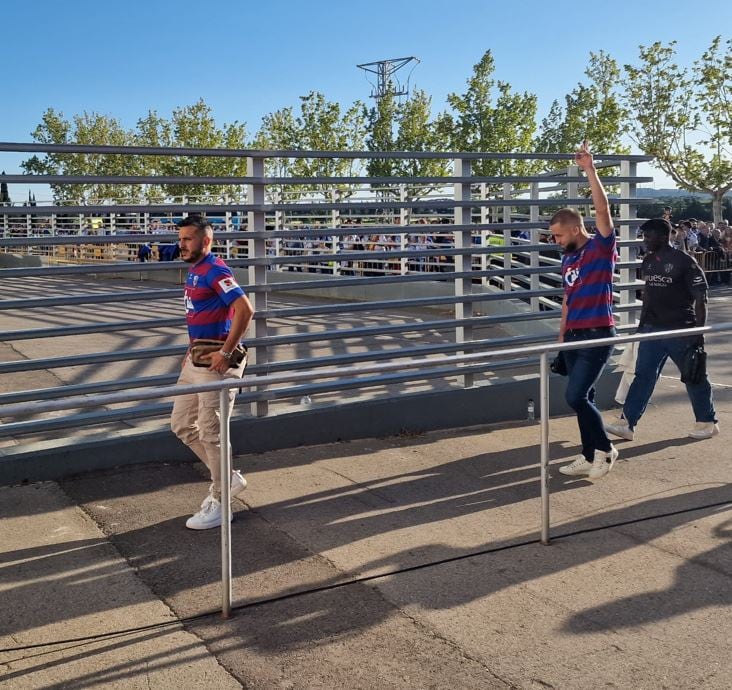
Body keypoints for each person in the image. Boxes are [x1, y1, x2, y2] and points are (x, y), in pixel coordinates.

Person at [171, 215, 255, 530]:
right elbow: (202, 317)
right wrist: (189, 352)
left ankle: (221, 503)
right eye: (180, 239)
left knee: (211, 433)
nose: (182, 244)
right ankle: (229, 478)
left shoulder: (216, 270)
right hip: (197, 359)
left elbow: (246, 310)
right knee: (182, 425)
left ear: (206, 241)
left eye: (188, 239)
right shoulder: (195, 269)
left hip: (216, 365)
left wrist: (226, 352)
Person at [605, 218, 719, 441]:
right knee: (643, 376)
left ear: (664, 236)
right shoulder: (647, 261)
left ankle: (707, 422)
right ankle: (627, 423)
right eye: (644, 236)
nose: (645, 241)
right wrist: (641, 326)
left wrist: (698, 333)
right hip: (652, 330)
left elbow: (701, 299)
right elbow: (649, 294)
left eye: (649, 237)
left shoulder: (685, 262)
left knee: (694, 375)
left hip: (680, 331)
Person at [552, 141, 619, 480]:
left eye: (558, 235)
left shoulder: (600, 248)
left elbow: (603, 211)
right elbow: (567, 300)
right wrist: (561, 340)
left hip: (597, 333)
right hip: (575, 336)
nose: (556, 241)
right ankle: (588, 454)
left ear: (575, 229)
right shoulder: (568, 259)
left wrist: (589, 171)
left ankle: (606, 450)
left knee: (575, 396)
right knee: (585, 397)